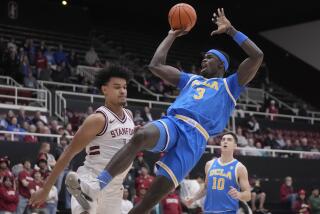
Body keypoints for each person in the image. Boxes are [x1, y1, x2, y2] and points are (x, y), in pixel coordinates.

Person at [53, 8, 262, 214]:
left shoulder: (230, 85)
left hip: (195, 139)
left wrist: (231, 30)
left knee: (147, 202)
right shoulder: (192, 80)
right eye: (204, 57)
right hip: (175, 122)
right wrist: (171, 35)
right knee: (141, 135)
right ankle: (96, 186)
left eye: (209, 57)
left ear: (221, 65)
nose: (204, 60)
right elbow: (155, 65)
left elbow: (256, 56)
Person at [30, 64, 135, 214]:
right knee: (86, 208)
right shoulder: (98, 119)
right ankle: (83, 196)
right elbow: (68, 153)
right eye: (117, 87)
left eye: (125, 87)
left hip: (114, 188)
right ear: (105, 90)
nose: (123, 91)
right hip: (93, 179)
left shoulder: (129, 116)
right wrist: (45, 189)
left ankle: (84, 199)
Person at [185, 132, 251, 213]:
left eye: (229, 140)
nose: (225, 141)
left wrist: (239, 195)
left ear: (235, 146)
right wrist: (193, 198)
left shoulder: (240, 168)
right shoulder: (209, 164)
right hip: (208, 211)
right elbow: (206, 188)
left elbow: (248, 195)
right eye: (223, 140)